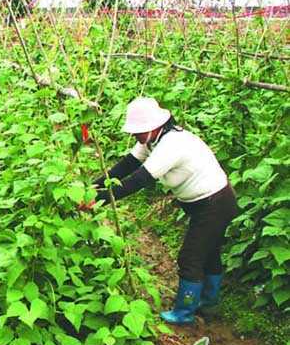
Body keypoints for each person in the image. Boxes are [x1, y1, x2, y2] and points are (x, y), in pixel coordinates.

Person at [90, 97, 238, 325]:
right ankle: (208, 304)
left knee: (191, 257)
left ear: (154, 126)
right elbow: (127, 165)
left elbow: (138, 180)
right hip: (205, 203)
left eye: (139, 131)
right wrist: (94, 187)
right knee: (209, 253)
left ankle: (184, 313)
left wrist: (99, 200)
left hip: (215, 203)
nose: (135, 136)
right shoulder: (151, 139)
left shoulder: (172, 145)